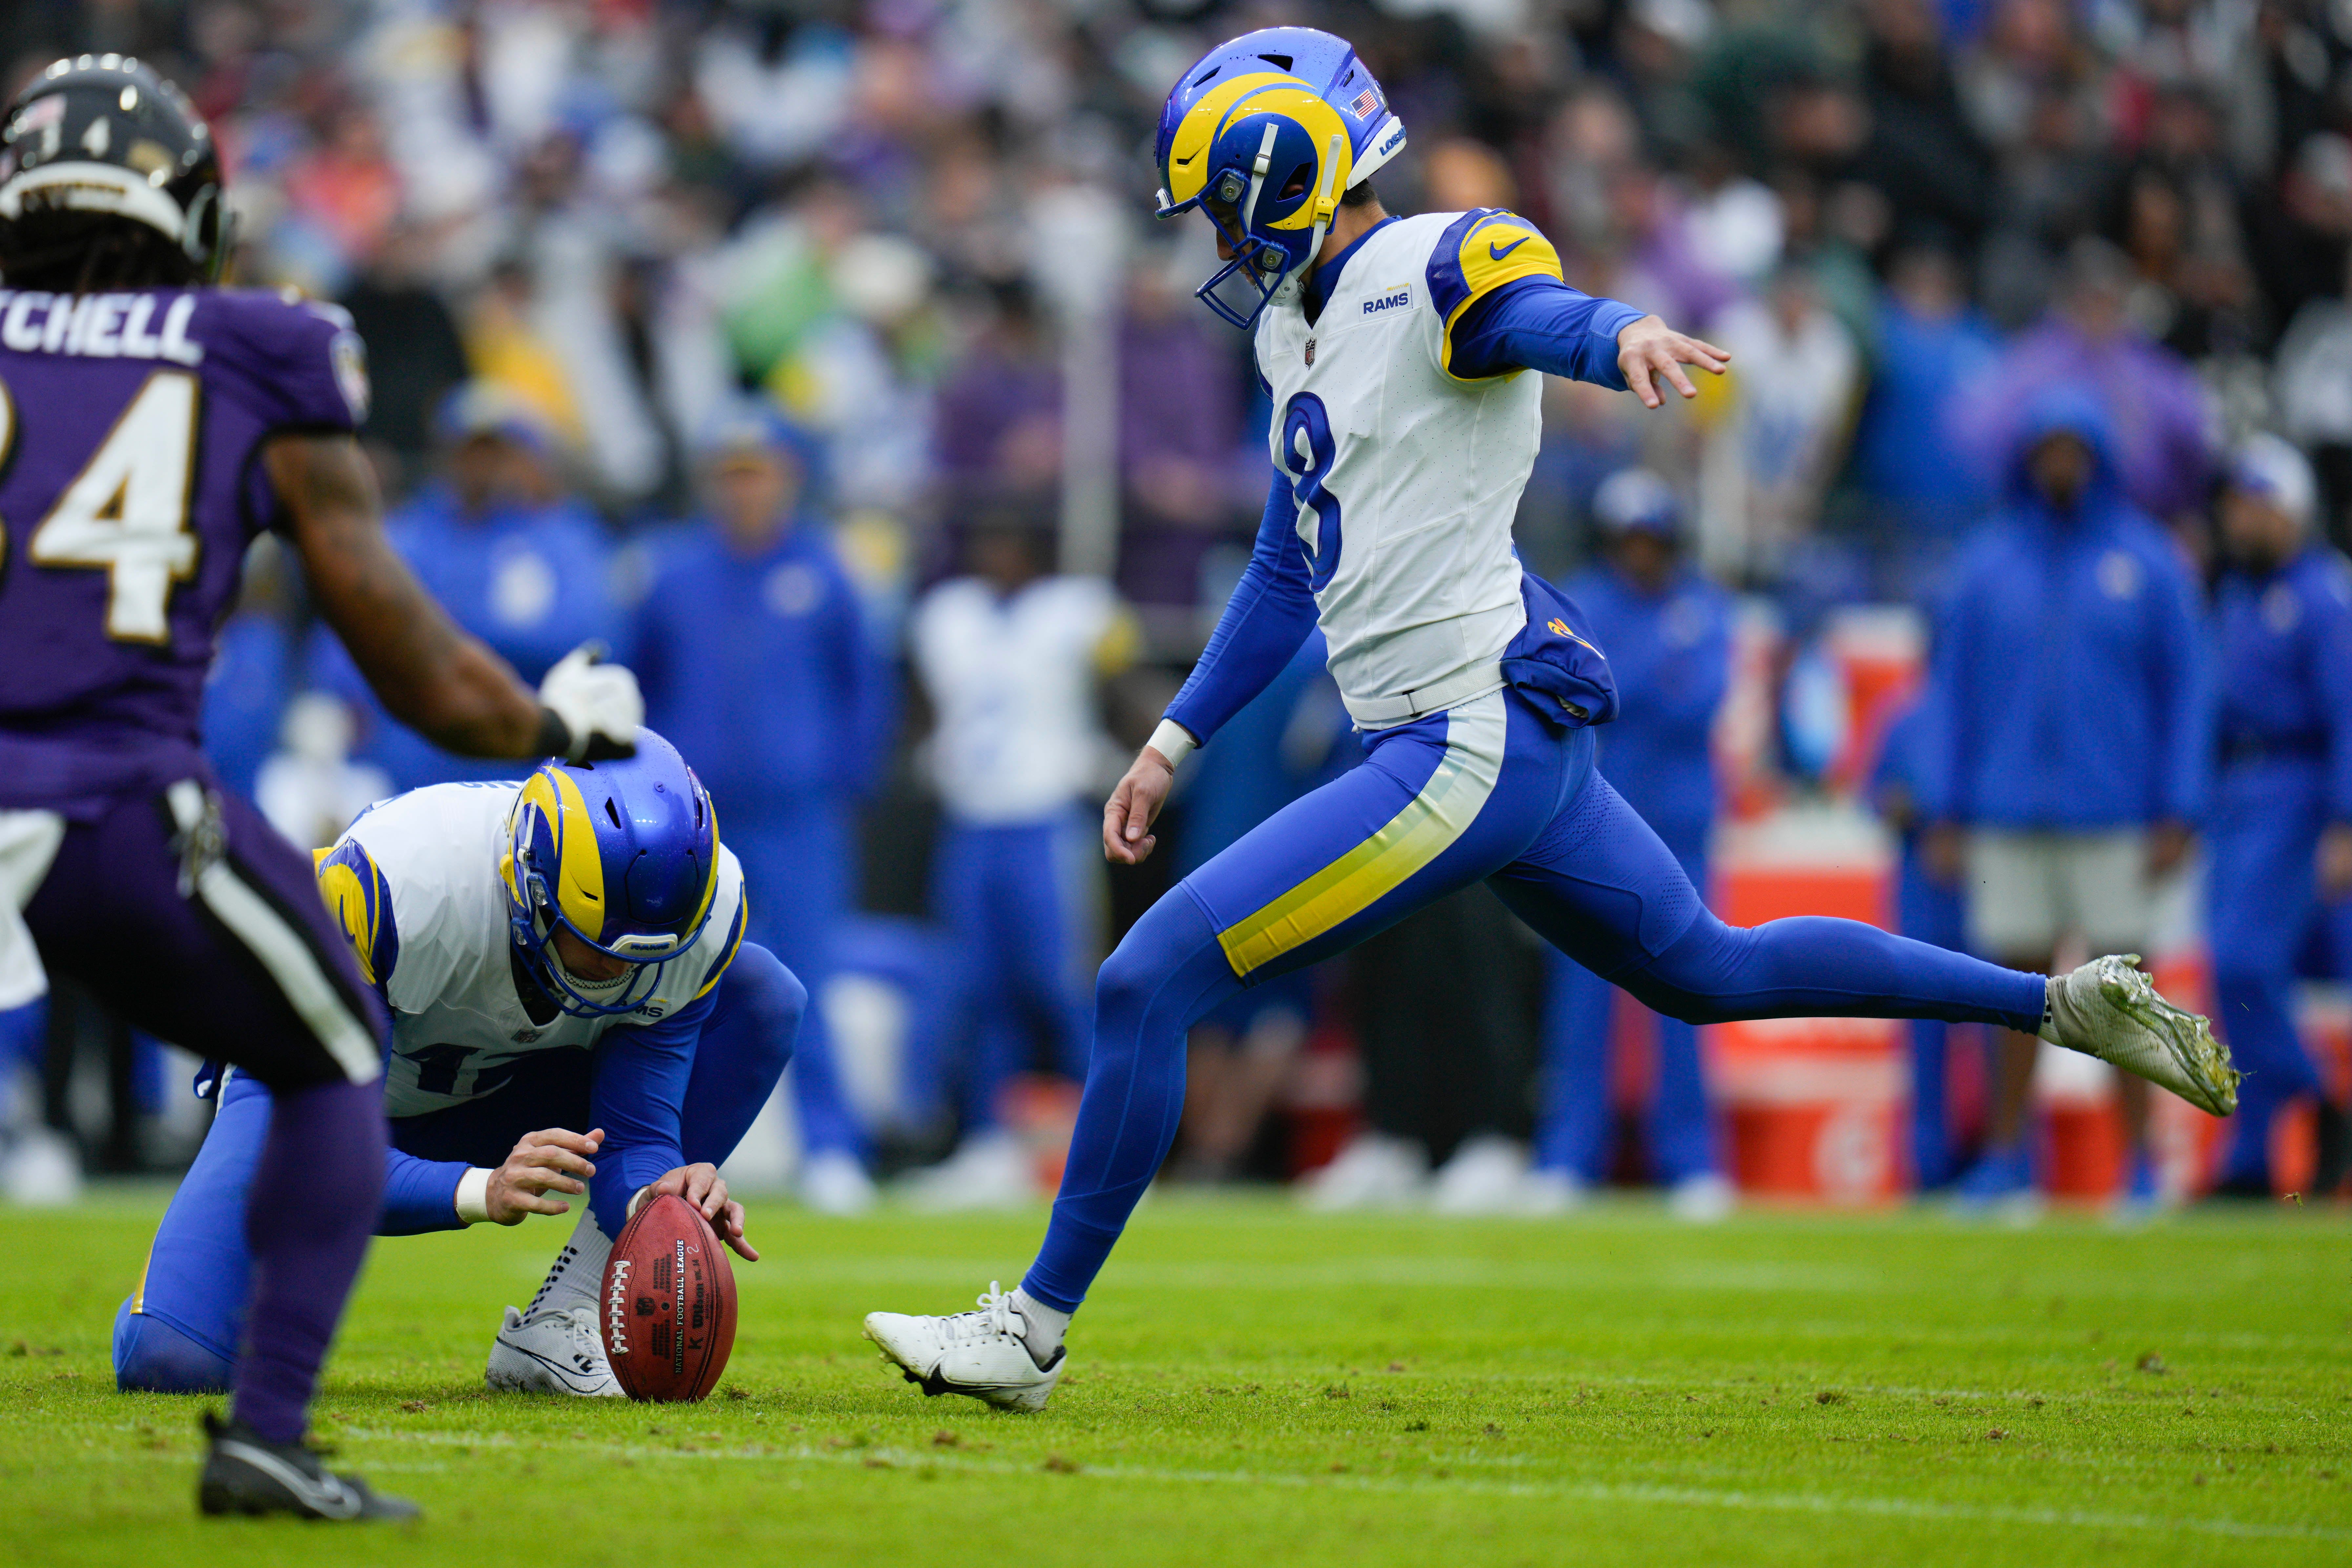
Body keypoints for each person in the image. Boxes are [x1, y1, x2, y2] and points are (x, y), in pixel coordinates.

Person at [859, 28, 2239, 1414]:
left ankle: (1029, 1330)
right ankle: (2059, 1001)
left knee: (1145, 975)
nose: (1215, 238)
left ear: (1287, 176)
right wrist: (1172, 740)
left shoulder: (1436, 263)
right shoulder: (1294, 324)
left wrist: (1617, 334)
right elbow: (1289, 563)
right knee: (1707, 966)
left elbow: (1534, 318)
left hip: (1456, 735)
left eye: (1222, 203)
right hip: (1490, 730)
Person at [0, 58, 638, 1518]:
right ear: (193, 213)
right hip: (114, 806)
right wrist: (554, 718)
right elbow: (409, 659)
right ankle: (271, 1434)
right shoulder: (257, 347)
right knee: (334, 1049)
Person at [115, 732, 794, 1399]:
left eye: (648, 957)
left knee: (760, 998)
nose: (620, 975)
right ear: (529, 884)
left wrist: (659, 1202)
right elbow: (318, 1154)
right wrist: (481, 1187)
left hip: (496, 1088)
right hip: (314, 1108)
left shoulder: (698, 917)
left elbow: (638, 1136)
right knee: (173, 1357)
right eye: (594, 948)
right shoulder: (394, 880)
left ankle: (567, 1314)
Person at [1922, 385, 2215, 1217]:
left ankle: (2139, 1168)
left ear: (2097, 459)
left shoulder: (2149, 562)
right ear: (2026, 460)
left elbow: (2187, 693)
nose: (2060, 466)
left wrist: (2179, 805)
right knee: (2007, 992)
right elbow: (1948, 692)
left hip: (2116, 811)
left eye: (2074, 450)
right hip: (2007, 810)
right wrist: (1945, 805)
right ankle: (2006, 1159)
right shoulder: (1985, 564)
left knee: (2125, 991)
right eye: (2047, 450)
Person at [632, 408, 885, 1214]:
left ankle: (832, 1148)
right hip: (693, 822)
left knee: (808, 976)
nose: (746, 488)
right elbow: (634, 682)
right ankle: (657, 1153)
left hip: (797, 814)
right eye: (733, 471)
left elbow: (864, 684)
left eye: (759, 470)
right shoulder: (673, 574)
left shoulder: (825, 570)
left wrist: (840, 776)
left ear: (788, 477)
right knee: (668, 984)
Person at [903, 515, 1135, 1207]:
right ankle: (987, 1143)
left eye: (1008, 537)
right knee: (978, 991)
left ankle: (1113, 1152)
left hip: (1047, 820)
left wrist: (1115, 769)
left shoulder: (1081, 611)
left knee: (1064, 991)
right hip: (973, 822)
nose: (995, 549)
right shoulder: (948, 615)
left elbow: (1128, 696)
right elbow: (925, 710)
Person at [1529, 469, 1735, 1219]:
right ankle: (1566, 1155)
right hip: (1588, 826)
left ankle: (1691, 1161)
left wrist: (1613, 681)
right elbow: (1565, 694)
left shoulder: (1702, 607)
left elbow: (1695, 700)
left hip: (1679, 828)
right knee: (1578, 1003)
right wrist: (1633, 682)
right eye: (1628, 540)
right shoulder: (1579, 598)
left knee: (1688, 990)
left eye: (1653, 539)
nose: (1640, 554)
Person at [314, 383, 628, 790]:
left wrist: (443, 626)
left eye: (496, 450)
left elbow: (596, 638)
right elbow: (340, 648)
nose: (483, 464)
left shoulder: (562, 536)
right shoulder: (405, 535)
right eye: (470, 449)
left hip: (532, 779)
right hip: (414, 779)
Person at [2203, 437, 2352, 1197]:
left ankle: (2321, 1095)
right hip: (2236, 791)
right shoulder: (2237, 596)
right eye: (2235, 505)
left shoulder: (2324, 595)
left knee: (2245, 961)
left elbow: (2346, 713)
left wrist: (2343, 820)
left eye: (2255, 504)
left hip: (2294, 790)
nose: (2240, 519)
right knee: (2226, 983)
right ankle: (2249, 1160)